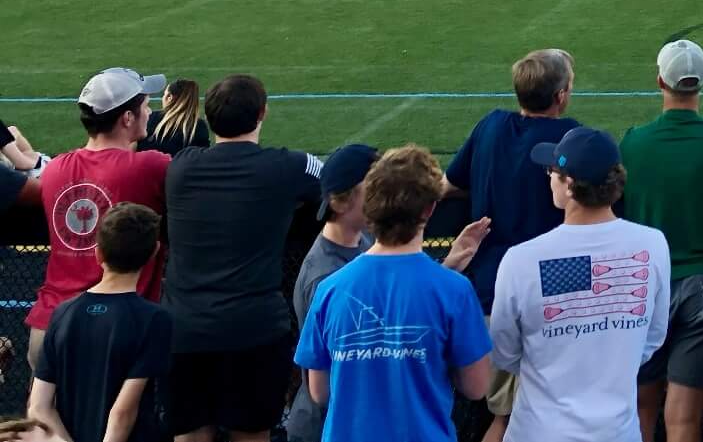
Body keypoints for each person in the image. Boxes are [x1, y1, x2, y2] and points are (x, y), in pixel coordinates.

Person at [287, 145, 489, 442]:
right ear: (430, 208)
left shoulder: (330, 288)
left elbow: (319, 390)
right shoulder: (454, 290)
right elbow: (476, 385)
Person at [164, 73, 323, 442]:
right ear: (262, 113)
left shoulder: (181, 166)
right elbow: (335, 185)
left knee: (188, 436)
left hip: (185, 329)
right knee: (251, 435)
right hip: (253, 329)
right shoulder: (287, 167)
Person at [490, 127, 671, 442]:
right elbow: (652, 339)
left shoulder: (522, 260)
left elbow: (503, 352)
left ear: (569, 184)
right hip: (617, 432)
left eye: (553, 171)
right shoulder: (653, 245)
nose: (548, 177)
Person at [446, 48, 580, 439]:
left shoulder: (491, 127)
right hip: (550, 300)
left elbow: (451, 183)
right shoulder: (570, 137)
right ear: (560, 96)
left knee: (505, 416)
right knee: (519, 419)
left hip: (490, 293)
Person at [619, 40, 703, 442]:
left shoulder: (633, 143)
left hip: (644, 286)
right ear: (701, 84)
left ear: (660, 80)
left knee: (640, 409)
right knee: (684, 417)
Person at [27, 70, 171, 373]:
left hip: (49, 324)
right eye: (145, 105)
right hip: (114, 332)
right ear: (127, 118)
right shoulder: (150, 166)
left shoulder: (54, 170)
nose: (150, 111)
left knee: (43, 415)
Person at [27, 203, 171, 442]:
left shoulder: (63, 313)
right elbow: (122, 413)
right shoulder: (154, 319)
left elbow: (39, 406)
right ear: (155, 252)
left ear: (98, 252)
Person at [139, 79, 209, 158]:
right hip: (181, 170)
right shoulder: (199, 126)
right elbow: (203, 157)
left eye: (164, 95)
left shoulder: (150, 118)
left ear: (169, 97)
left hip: (147, 168)